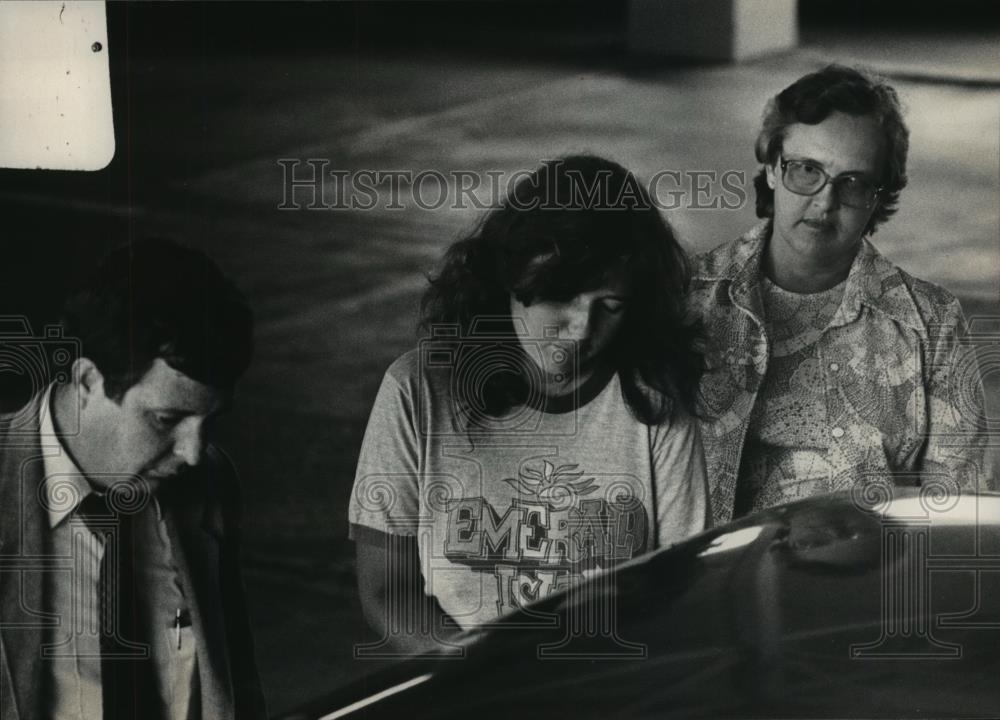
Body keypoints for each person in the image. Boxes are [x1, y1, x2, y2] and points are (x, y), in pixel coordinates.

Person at [350, 155, 710, 653]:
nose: (582, 330)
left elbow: (677, 595)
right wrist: (487, 682)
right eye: (561, 296)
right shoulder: (417, 390)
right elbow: (387, 590)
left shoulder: (656, 406)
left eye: (611, 306)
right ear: (508, 278)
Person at [689, 65, 993, 526]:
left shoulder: (932, 324)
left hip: (865, 587)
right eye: (807, 170)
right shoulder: (690, 297)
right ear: (772, 169)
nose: (825, 202)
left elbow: (956, 515)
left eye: (853, 183)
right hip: (713, 584)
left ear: (878, 196)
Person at [0, 239, 266, 720]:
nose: (191, 452)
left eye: (210, 422)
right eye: (166, 420)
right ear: (86, 382)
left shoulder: (209, 482)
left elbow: (235, 685)